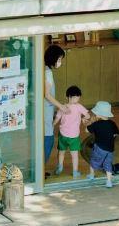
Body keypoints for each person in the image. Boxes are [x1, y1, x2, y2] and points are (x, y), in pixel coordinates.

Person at [53, 85, 90, 179]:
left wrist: (52, 125)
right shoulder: (79, 107)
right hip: (74, 136)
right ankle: (75, 171)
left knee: (61, 152)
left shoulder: (63, 107)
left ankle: (59, 167)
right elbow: (88, 116)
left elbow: (57, 118)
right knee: (74, 155)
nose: (76, 99)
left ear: (67, 96)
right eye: (76, 97)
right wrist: (83, 118)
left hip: (63, 134)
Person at [44, 44, 68, 177]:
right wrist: (61, 106)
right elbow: (47, 95)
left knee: (47, 138)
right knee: (48, 140)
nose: (60, 63)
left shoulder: (45, 70)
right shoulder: (47, 73)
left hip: (46, 111)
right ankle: (40, 170)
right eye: (59, 60)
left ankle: (40, 169)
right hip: (45, 111)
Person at [86, 101, 119, 188]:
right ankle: (109, 182)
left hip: (99, 147)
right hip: (110, 149)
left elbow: (87, 130)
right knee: (108, 164)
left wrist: (88, 123)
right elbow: (115, 134)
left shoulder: (96, 124)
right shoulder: (112, 124)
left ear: (98, 114)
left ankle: (92, 175)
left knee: (93, 161)